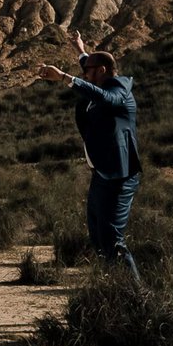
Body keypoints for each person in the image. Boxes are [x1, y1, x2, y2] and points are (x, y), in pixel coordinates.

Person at [37, 32, 141, 281]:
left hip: (119, 175)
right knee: (97, 234)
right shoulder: (100, 77)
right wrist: (80, 48)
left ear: (102, 71)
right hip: (101, 173)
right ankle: (115, 287)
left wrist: (63, 77)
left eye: (89, 73)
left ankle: (136, 295)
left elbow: (106, 99)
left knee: (112, 239)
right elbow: (88, 65)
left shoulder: (119, 89)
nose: (85, 75)